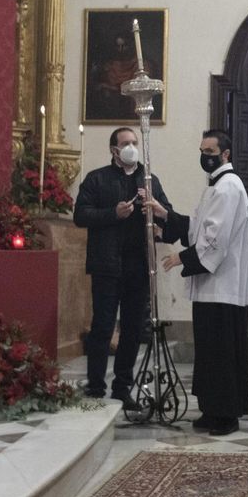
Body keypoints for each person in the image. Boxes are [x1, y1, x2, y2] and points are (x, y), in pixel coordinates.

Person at [72, 127, 179, 412]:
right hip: (107, 264)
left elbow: (167, 212)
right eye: (125, 143)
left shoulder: (149, 179)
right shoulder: (97, 178)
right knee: (103, 327)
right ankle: (96, 387)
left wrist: (153, 208)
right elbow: (80, 215)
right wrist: (112, 214)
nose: (131, 147)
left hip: (139, 266)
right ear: (114, 150)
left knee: (132, 330)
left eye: (134, 142)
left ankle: (123, 387)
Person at [165, 130, 248, 437]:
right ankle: (211, 409)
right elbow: (198, 228)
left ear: (225, 154)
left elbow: (216, 239)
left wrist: (183, 259)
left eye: (211, 150)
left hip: (222, 285)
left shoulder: (229, 187)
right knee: (209, 351)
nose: (206, 156)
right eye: (202, 150)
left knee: (221, 352)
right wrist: (165, 214)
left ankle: (227, 414)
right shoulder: (214, 188)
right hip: (210, 286)